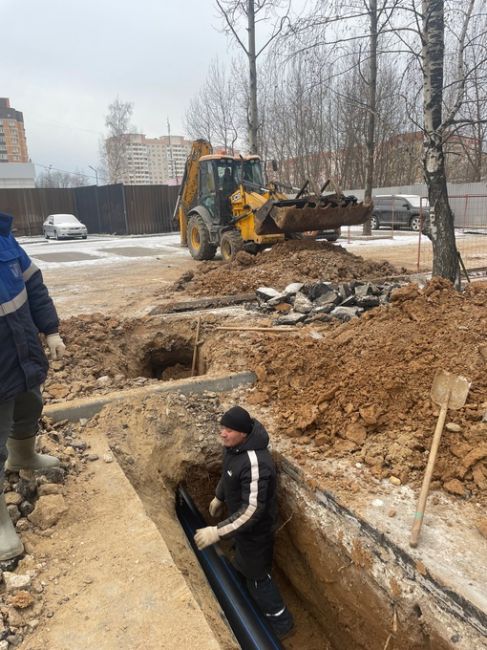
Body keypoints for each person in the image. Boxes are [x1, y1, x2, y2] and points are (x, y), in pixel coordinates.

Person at [194, 405, 294, 640]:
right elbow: (227, 473)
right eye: (223, 427)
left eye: (229, 429)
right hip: (239, 525)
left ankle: (283, 624)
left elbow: (251, 512)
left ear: (244, 433)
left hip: (256, 532)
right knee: (241, 562)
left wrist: (217, 531)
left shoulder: (255, 462)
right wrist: (219, 495)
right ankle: (244, 585)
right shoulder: (234, 448)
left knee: (257, 577)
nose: (222, 433)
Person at [0, 211, 65, 560]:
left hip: (20, 352)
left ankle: (22, 456)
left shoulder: (5, 238)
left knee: (30, 405)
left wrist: (50, 329)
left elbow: (34, 287)